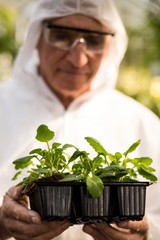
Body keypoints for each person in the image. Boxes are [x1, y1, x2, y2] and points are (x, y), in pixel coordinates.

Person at [0, 0, 160, 239]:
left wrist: (144, 234)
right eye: (62, 36)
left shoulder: (141, 122)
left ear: (110, 47)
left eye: (94, 41)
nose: (79, 60)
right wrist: (2, 225)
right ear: (36, 37)